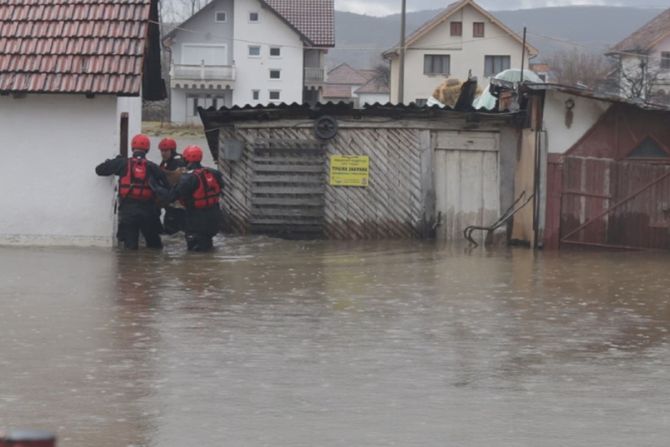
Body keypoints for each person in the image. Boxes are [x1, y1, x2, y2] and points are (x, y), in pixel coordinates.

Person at [95, 134, 169, 250]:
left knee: (130, 249)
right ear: (147, 149)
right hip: (148, 211)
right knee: (155, 247)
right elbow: (167, 186)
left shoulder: (122, 163)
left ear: (132, 148)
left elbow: (99, 170)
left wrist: (115, 161)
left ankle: (130, 267)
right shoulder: (153, 167)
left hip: (128, 211)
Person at [170, 145, 224, 252]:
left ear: (187, 159)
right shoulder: (214, 173)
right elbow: (221, 187)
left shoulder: (188, 178)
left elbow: (173, 195)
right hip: (214, 219)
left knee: (195, 252)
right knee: (207, 245)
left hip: (196, 220)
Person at [158, 137, 187, 235]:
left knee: (173, 231)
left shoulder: (178, 162)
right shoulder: (166, 162)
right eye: (161, 151)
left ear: (172, 150)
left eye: (166, 151)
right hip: (172, 205)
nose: (163, 153)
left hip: (178, 206)